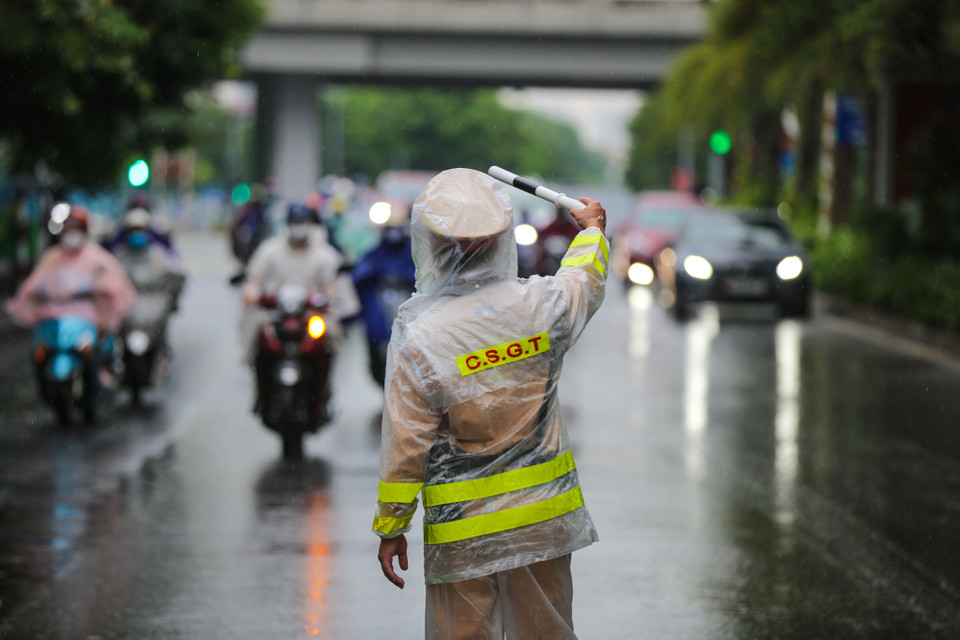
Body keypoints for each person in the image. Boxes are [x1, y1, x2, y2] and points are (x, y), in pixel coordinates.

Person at [372, 168, 608, 639]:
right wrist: (595, 232)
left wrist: (391, 527)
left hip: (462, 534)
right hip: (543, 522)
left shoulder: (420, 335)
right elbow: (584, 279)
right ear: (503, 239)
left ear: (431, 244)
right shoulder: (543, 307)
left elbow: (406, 442)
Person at [5, 205, 137, 396]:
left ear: (84, 232)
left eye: (76, 230)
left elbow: (116, 283)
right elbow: (33, 284)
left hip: (86, 319)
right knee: (38, 354)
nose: (71, 235)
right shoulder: (52, 257)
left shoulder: (97, 258)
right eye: (68, 230)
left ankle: (94, 394)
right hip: (52, 320)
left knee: (91, 354)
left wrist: (99, 289)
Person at [351, 204, 417, 388]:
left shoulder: (414, 254)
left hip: (409, 312)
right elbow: (359, 275)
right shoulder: (375, 254)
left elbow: (426, 276)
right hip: (379, 312)